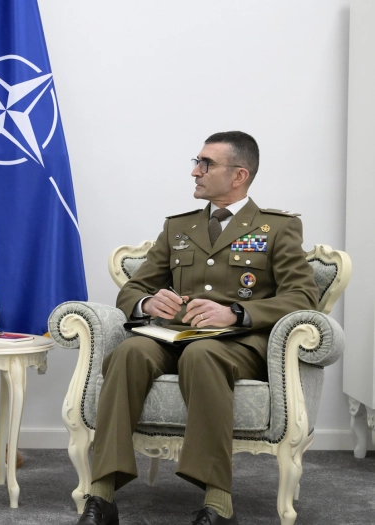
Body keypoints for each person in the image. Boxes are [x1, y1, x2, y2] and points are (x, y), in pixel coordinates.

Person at [76, 132, 318, 525]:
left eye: (206, 164)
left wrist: (236, 313)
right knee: (128, 352)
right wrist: (147, 303)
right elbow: (135, 288)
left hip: (237, 345)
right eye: (197, 162)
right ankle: (102, 494)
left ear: (239, 175)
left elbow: (303, 296)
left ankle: (219, 503)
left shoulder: (276, 227)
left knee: (203, 355)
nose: (195, 171)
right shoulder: (179, 227)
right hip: (173, 336)